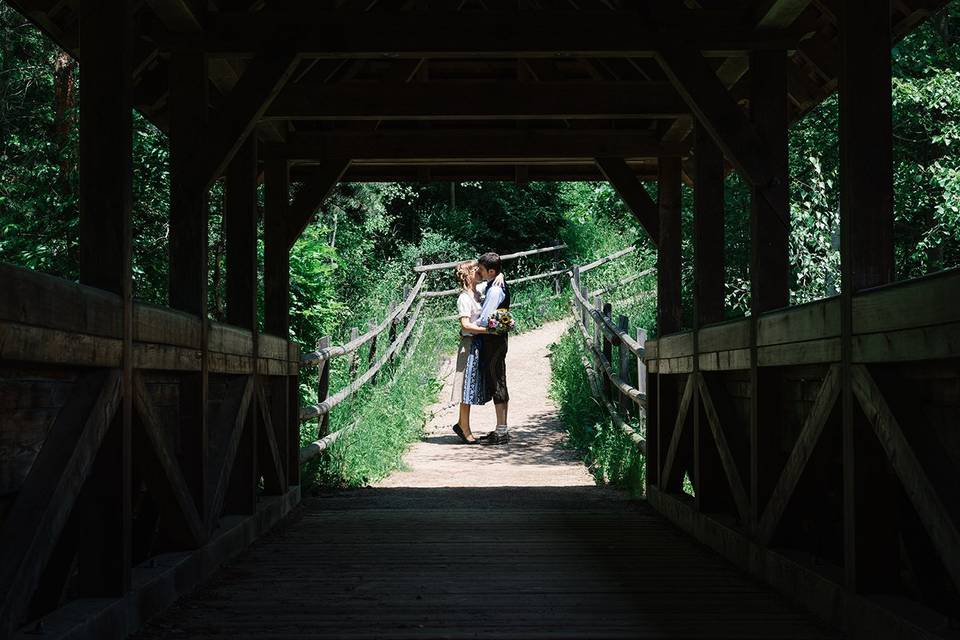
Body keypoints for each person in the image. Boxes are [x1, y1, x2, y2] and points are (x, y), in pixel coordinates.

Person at [450, 261, 492, 444]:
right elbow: (465, 324)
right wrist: (489, 331)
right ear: (468, 276)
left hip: (479, 342)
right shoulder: (464, 298)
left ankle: (462, 423)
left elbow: (495, 277)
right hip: (469, 344)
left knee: (473, 385)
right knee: (466, 386)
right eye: (475, 271)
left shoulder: (479, 291)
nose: (479, 273)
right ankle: (464, 427)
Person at [476, 252, 511, 445]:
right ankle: (501, 428)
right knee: (498, 378)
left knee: (497, 380)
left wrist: (472, 324)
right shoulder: (494, 283)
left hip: (494, 341)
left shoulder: (495, 290)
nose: (478, 272)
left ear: (490, 271)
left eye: (481, 270)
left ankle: (502, 431)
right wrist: (500, 274)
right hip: (496, 340)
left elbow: (485, 318)